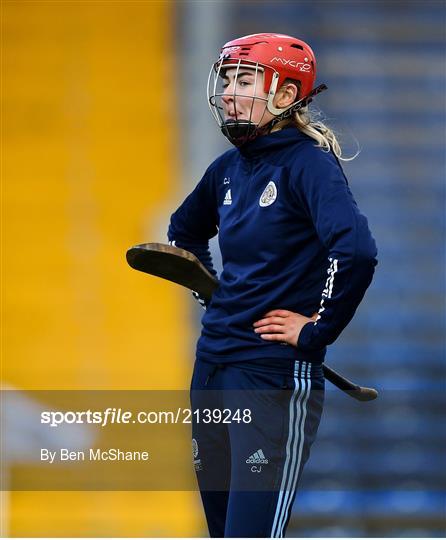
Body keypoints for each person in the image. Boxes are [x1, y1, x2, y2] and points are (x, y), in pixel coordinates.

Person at [168, 33, 377, 538]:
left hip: (269, 375)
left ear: (286, 96)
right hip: (213, 365)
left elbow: (354, 251)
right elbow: (185, 231)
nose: (230, 92)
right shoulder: (226, 170)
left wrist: (315, 329)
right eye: (227, 80)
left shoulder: (309, 165)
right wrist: (210, 291)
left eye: (246, 80)